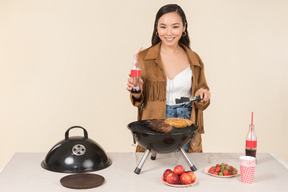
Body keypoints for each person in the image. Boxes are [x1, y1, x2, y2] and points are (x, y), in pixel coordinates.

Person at [126, 4, 211, 153]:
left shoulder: (195, 60)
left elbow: (202, 98)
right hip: (155, 122)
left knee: (183, 170)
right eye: (163, 27)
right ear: (157, 29)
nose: (169, 32)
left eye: (175, 26)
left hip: (185, 123)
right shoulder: (144, 58)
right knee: (153, 169)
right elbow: (138, 99)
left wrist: (204, 95)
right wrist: (136, 92)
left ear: (184, 28)